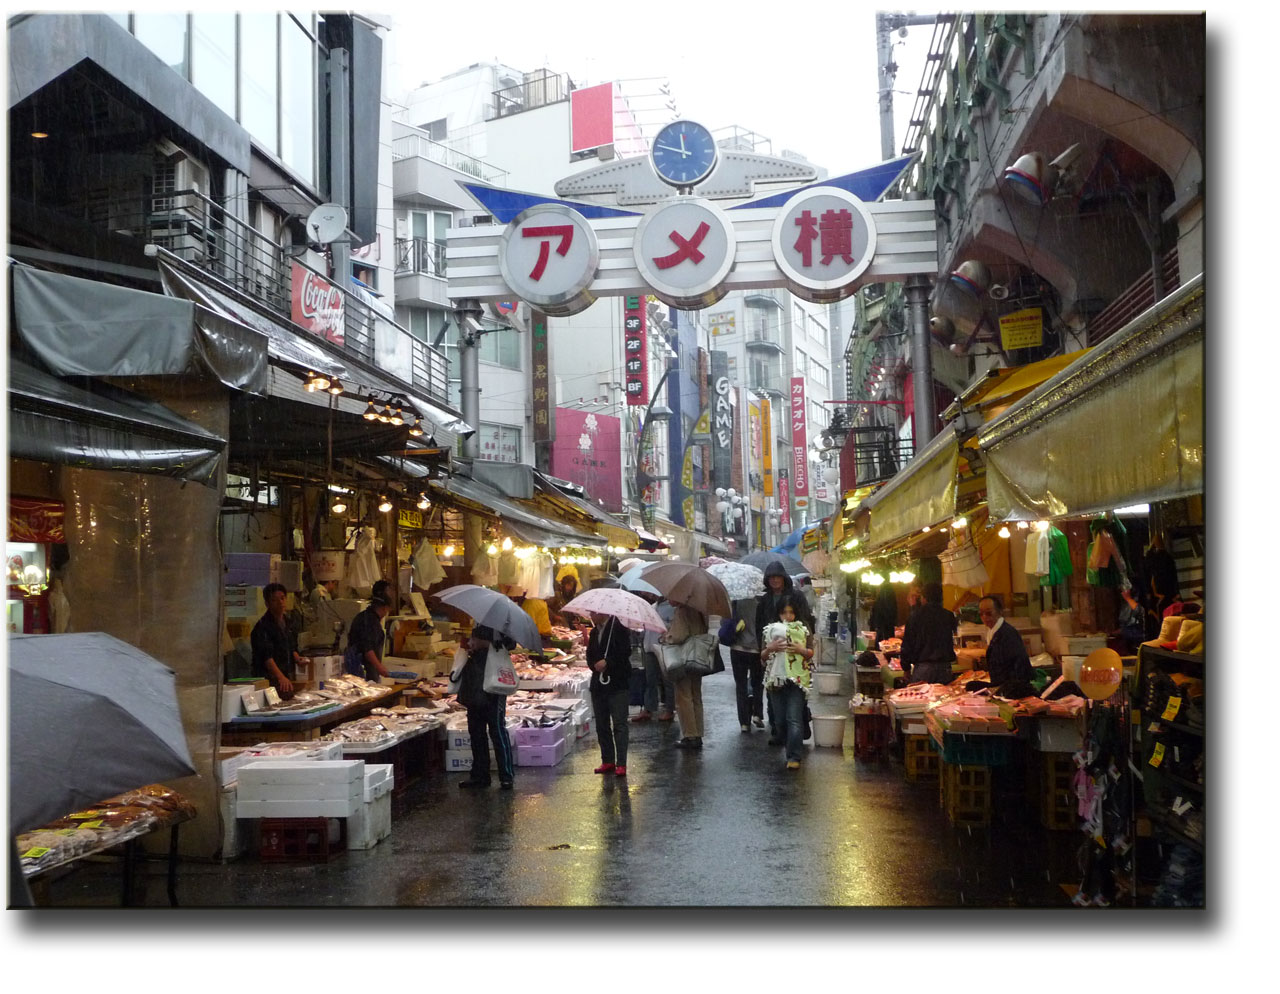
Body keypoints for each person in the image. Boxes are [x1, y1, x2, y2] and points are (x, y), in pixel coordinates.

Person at [755, 561, 814, 741]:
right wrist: (764, 650)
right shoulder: (764, 600)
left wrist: (805, 645)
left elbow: (807, 619)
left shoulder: (796, 596)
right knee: (774, 695)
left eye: (777, 577)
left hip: (796, 654)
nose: (774, 580)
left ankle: (799, 730)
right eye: (771, 577)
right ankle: (777, 731)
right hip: (774, 653)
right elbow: (759, 626)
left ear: (784, 578)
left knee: (796, 699)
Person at [454, 624, 516, 789]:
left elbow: (510, 644)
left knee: (497, 730)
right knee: (476, 731)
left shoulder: (502, 622)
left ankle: (506, 776)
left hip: (494, 684)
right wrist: (469, 644)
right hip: (474, 682)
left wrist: (486, 643)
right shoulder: (478, 621)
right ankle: (479, 775)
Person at [761, 594, 814, 770]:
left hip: (797, 681)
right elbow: (762, 658)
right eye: (784, 612)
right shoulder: (770, 630)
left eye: (791, 612)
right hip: (775, 680)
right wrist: (770, 649)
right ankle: (788, 744)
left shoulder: (803, 629)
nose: (788, 616)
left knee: (794, 719)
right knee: (780, 721)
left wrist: (801, 650)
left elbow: (811, 652)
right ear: (778, 613)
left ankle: (794, 756)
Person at [587, 611, 632, 776]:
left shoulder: (619, 629)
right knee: (601, 724)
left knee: (619, 724)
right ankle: (607, 759)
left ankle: (621, 763)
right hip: (598, 684)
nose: (590, 615)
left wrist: (608, 662)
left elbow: (625, 653)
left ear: (602, 612)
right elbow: (589, 655)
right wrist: (594, 665)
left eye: (593, 612)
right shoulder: (594, 632)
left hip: (617, 683)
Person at [661, 598, 709, 749]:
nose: (669, 600)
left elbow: (678, 636)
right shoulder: (699, 610)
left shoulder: (682, 611)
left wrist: (666, 636)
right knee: (696, 696)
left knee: (684, 697)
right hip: (698, 657)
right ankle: (698, 732)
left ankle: (690, 735)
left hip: (683, 658)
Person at [251, 582, 311, 696]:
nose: (280, 602)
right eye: (274, 600)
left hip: (285, 676)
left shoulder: (288, 622)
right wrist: (280, 677)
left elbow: (292, 647)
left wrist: (298, 658)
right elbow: (267, 658)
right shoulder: (262, 627)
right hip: (268, 680)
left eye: (282, 598)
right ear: (267, 603)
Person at [899, 581, 957, 685]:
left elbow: (907, 644)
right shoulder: (948, 615)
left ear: (924, 598)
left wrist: (906, 668)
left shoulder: (915, 616)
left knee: (921, 695)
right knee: (944, 695)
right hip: (945, 668)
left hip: (923, 668)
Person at [722, 597, 764, 732]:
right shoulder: (761, 602)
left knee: (741, 686)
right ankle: (757, 713)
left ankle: (744, 723)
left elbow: (724, 621)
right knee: (757, 683)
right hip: (757, 649)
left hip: (737, 648)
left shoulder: (735, 601)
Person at [635, 598, 675, 722]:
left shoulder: (672, 608)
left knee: (667, 680)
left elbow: (674, 627)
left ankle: (670, 709)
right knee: (649, 679)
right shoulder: (652, 606)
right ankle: (649, 708)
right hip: (649, 647)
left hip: (664, 647)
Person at [978, 594, 1032, 686]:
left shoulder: (1008, 634)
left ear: (1000, 612)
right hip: (1002, 686)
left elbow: (1019, 667)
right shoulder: (993, 632)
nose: (984, 617)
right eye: (981, 614)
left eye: (988, 613)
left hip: (1013, 687)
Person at [344, 591, 392, 682]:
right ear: (384, 608)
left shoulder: (362, 616)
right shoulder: (371, 622)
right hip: (363, 671)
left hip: (357, 668)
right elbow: (368, 650)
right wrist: (380, 667)